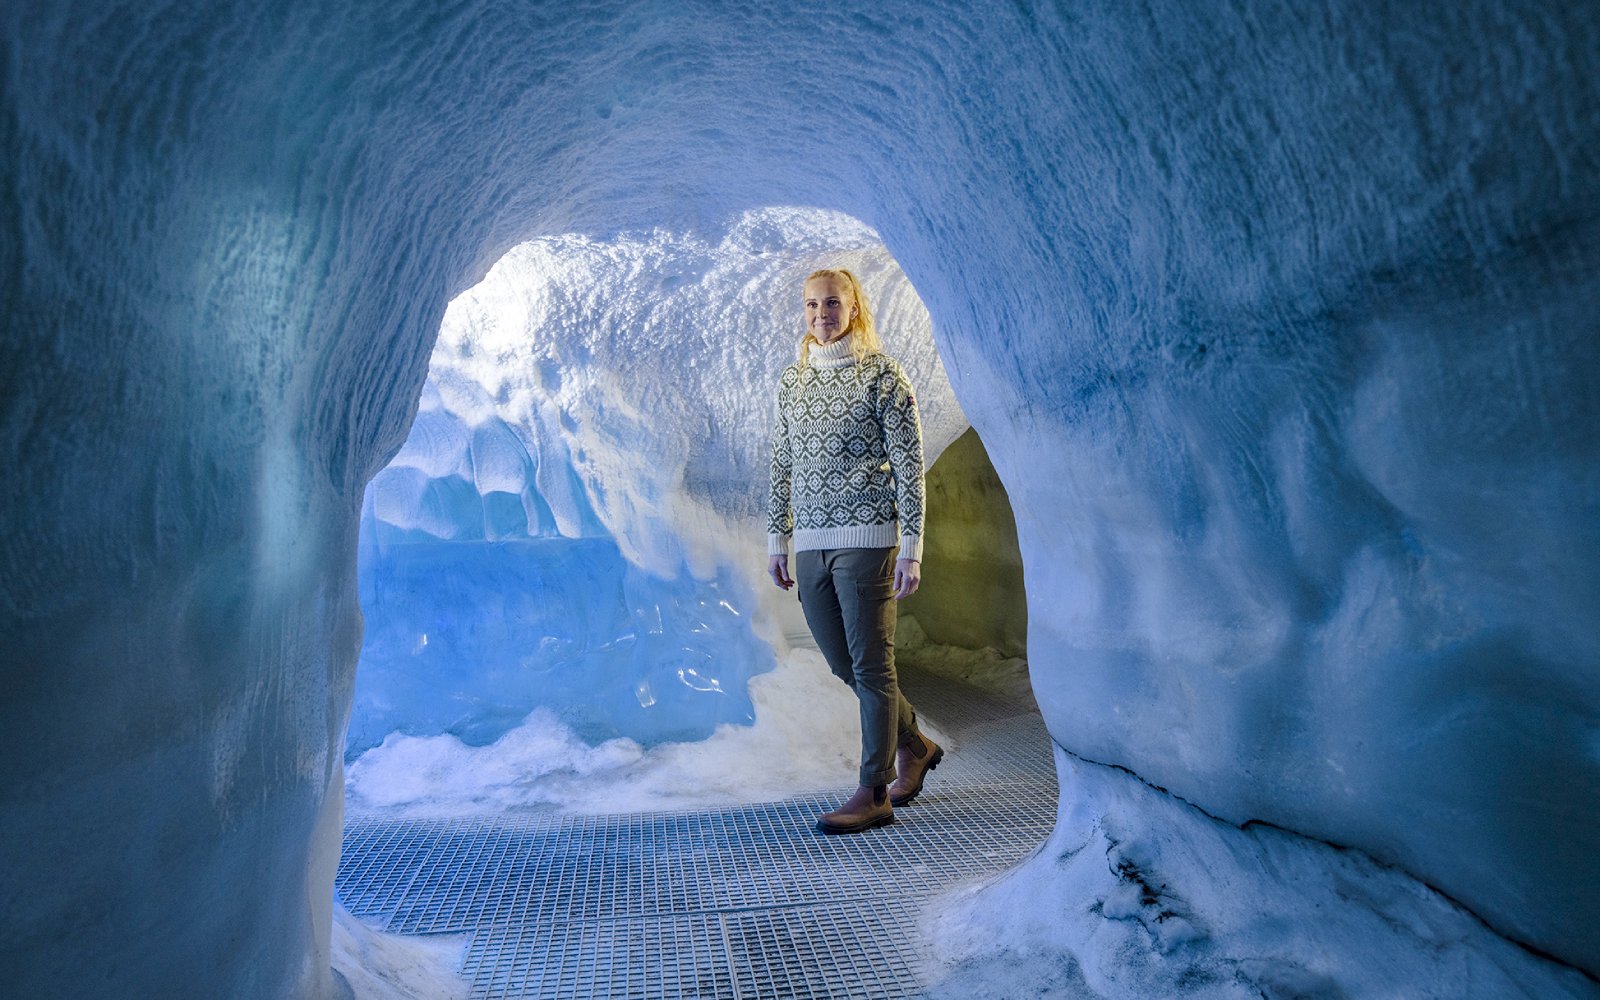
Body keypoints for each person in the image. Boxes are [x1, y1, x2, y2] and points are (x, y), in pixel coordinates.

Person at [766, 267, 944, 834]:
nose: (822, 314)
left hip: (868, 538)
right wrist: (779, 540)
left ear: (855, 308)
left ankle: (873, 790)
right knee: (846, 664)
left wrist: (911, 549)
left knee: (872, 664)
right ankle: (913, 743)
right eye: (813, 305)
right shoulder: (793, 382)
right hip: (811, 545)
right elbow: (782, 463)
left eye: (833, 303)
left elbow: (909, 466)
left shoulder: (882, 375)